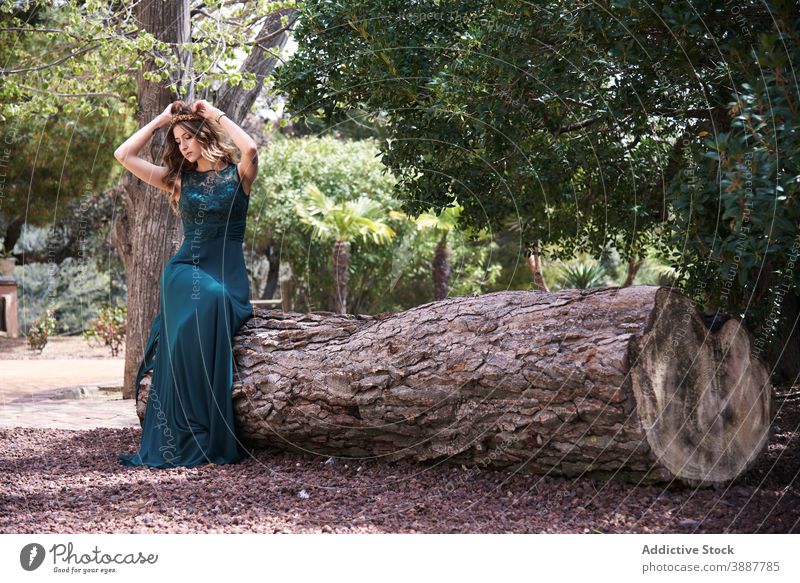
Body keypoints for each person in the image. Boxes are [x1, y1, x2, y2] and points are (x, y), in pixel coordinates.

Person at [114, 99, 258, 468]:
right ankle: (187, 429)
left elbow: (251, 148)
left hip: (227, 273)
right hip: (185, 271)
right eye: (176, 141)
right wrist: (161, 120)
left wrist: (216, 114)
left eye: (186, 138)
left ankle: (206, 426)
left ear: (204, 135)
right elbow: (123, 155)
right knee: (206, 301)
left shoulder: (239, 175)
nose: (182, 146)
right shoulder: (179, 180)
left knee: (218, 301)